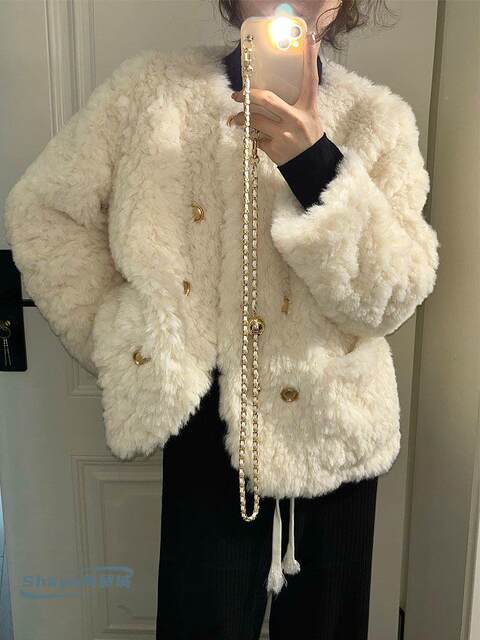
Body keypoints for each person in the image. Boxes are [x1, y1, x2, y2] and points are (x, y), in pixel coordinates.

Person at [4, 1, 440, 638]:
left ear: (337, 6)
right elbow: (45, 215)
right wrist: (124, 335)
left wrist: (315, 160)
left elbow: (391, 297)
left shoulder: (377, 120)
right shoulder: (150, 94)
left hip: (336, 422)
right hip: (208, 422)